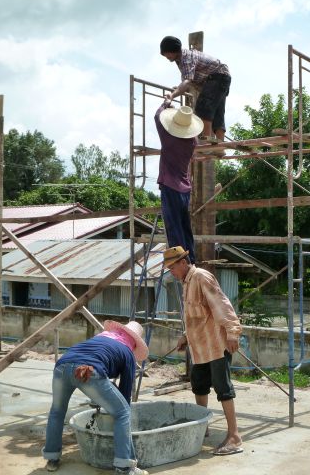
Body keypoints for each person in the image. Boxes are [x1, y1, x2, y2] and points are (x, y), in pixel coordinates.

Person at [164, 246, 243, 456]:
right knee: (198, 384)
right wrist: (185, 336)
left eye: (172, 267)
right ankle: (203, 425)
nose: (171, 271)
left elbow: (221, 304)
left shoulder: (201, 277)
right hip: (199, 346)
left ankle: (234, 436)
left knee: (223, 388)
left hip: (216, 344)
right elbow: (193, 315)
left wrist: (233, 332)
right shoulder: (186, 282)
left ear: (183, 262)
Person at [42, 320, 150, 474]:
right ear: (134, 343)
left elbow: (94, 362)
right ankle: (125, 467)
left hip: (62, 367)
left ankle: (52, 458)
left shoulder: (99, 339)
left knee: (57, 412)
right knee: (123, 412)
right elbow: (125, 393)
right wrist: (117, 412)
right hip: (89, 372)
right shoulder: (127, 352)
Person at [155, 103, 203, 264]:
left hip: (170, 187)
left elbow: (157, 117)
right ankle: (191, 259)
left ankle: (180, 260)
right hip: (184, 189)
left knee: (173, 226)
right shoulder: (192, 142)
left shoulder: (168, 139)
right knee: (184, 226)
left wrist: (166, 104)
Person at [160, 35, 231, 142]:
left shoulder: (186, 58)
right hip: (222, 77)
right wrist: (179, 89)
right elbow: (188, 81)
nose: (166, 57)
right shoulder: (180, 59)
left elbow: (187, 81)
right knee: (217, 112)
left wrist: (173, 95)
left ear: (173, 50)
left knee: (203, 108)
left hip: (216, 77)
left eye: (167, 54)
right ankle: (220, 147)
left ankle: (207, 142)